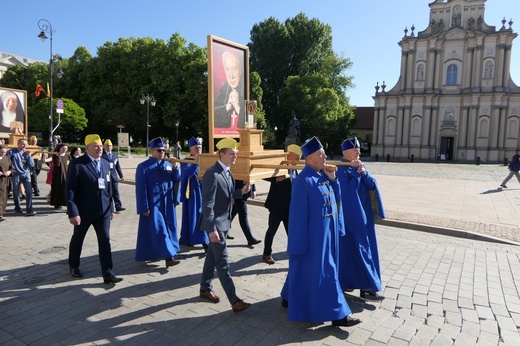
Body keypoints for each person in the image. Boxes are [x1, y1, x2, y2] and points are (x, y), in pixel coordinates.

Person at [280, 136, 360, 327]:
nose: (324, 156)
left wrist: (333, 179)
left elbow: (334, 199)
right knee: (327, 273)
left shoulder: (322, 174)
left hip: (327, 236)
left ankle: (288, 296)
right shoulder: (303, 181)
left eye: (323, 152)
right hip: (314, 241)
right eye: (320, 154)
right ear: (309, 159)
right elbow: (297, 218)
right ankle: (338, 314)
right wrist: (298, 246)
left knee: (303, 270)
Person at [199, 137, 251, 312]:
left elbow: (226, 195)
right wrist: (212, 228)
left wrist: (240, 192)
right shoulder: (212, 174)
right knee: (223, 263)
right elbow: (207, 204)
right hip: (216, 226)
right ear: (221, 154)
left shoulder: (227, 172)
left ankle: (205, 288)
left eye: (235, 153)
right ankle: (234, 300)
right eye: (231, 154)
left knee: (211, 258)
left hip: (223, 224)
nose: (235, 156)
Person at [66, 134, 122, 285]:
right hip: (83, 212)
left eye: (100, 146)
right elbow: (70, 190)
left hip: (103, 211)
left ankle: (108, 274)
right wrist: (73, 213)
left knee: (105, 241)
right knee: (78, 239)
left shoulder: (105, 163)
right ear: (87, 148)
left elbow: (109, 187)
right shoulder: (78, 164)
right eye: (95, 146)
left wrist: (111, 208)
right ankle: (74, 266)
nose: (99, 148)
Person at [337, 137, 386, 301]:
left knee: (367, 251)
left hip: (365, 219)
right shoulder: (340, 169)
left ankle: (367, 287)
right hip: (351, 219)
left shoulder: (359, 165)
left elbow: (372, 185)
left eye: (358, 149)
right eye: (355, 150)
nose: (358, 151)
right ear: (345, 153)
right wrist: (357, 176)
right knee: (352, 253)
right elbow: (347, 192)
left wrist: (363, 173)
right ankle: (355, 285)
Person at [135, 137, 181, 268]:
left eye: (164, 150)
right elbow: (140, 189)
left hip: (167, 203)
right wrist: (144, 207)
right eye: (159, 150)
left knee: (169, 227)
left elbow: (176, 179)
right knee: (160, 230)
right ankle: (169, 257)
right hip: (154, 204)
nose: (162, 152)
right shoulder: (143, 167)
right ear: (152, 151)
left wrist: (175, 167)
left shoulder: (167, 164)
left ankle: (169, 253)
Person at [261, 144, 302, 265]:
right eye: (298, 157)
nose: (299, 160)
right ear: (290, 155)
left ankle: (295, 252)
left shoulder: (294, 168)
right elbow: (264, 174)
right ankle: (266, 254)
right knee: (272, 230)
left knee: (291, 231)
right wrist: (275, 179)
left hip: (289, 207)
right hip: (277, 207)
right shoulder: (280, 165)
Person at [179, 137, 209, 250]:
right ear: (190, 149)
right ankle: (199, 240)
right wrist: (195, 162)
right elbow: (186, 174)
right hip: (192, 193)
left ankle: (199, 239)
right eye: (196, 147)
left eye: (200, 147)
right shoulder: (186, 161)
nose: (198, 149)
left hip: (203, 191)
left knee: (203, 215)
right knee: (194, 216)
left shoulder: (205, 159)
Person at [214, 51, 245, 129]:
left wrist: (238, 108)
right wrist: (227, 107)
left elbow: (252, 120)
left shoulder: (247, 86)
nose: (231, 76)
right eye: (227, 69)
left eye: (234, 69)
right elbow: (213, 115)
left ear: (240, 69)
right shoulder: (225, 87)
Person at [7, 138, 36, 216]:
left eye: (26, 144)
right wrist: (10, 169)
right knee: (16, 192)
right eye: (23, 144)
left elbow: (31, 164)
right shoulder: (12, 152)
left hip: (26, 174)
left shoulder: (26, 153)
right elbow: (6, 160)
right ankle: (18, 208)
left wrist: (29, 156)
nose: (24, 146)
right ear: (18, 144)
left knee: (29, 192)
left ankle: (29, 209)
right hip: (16, 174)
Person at [229, 180, 261, 246]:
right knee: (243, 216)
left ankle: (223, 231)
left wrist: (253, 189)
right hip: (238, 193)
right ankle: (250, 238)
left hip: (245, 192)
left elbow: (250, 175)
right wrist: (232, 196)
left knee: (232, 213)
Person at [102, 139, 125, 212]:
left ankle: (118, 206)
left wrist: (121, 176)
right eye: (107, 146)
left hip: (113, 176)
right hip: (105, 176)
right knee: (107, 192)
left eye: (110, 146)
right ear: (104, 147)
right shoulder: (102, 155)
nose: (109, 147)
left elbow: (118, 166)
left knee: (115, 191)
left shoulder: (114, 155)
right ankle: (108, 207)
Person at [50, 143, 71, 210]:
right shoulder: (56, 155)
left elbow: (70, 164)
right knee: (57, 189)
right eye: (63, 148)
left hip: (66, 174)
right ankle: (57, 203)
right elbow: (57, 164)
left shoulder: (68, 156)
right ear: (60, 148)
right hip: (58, 175)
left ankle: (65, 202)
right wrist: (59, 155)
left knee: (65, 189)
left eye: (66, 148)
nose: (64, 150)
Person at [0, 145, 12, 222]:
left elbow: (12, 167)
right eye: (1, 152)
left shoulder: (7, 159)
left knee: (3, 197)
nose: (3, 154)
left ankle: (1, 214)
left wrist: (9, 171)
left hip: (4, 181)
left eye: (5, 152)